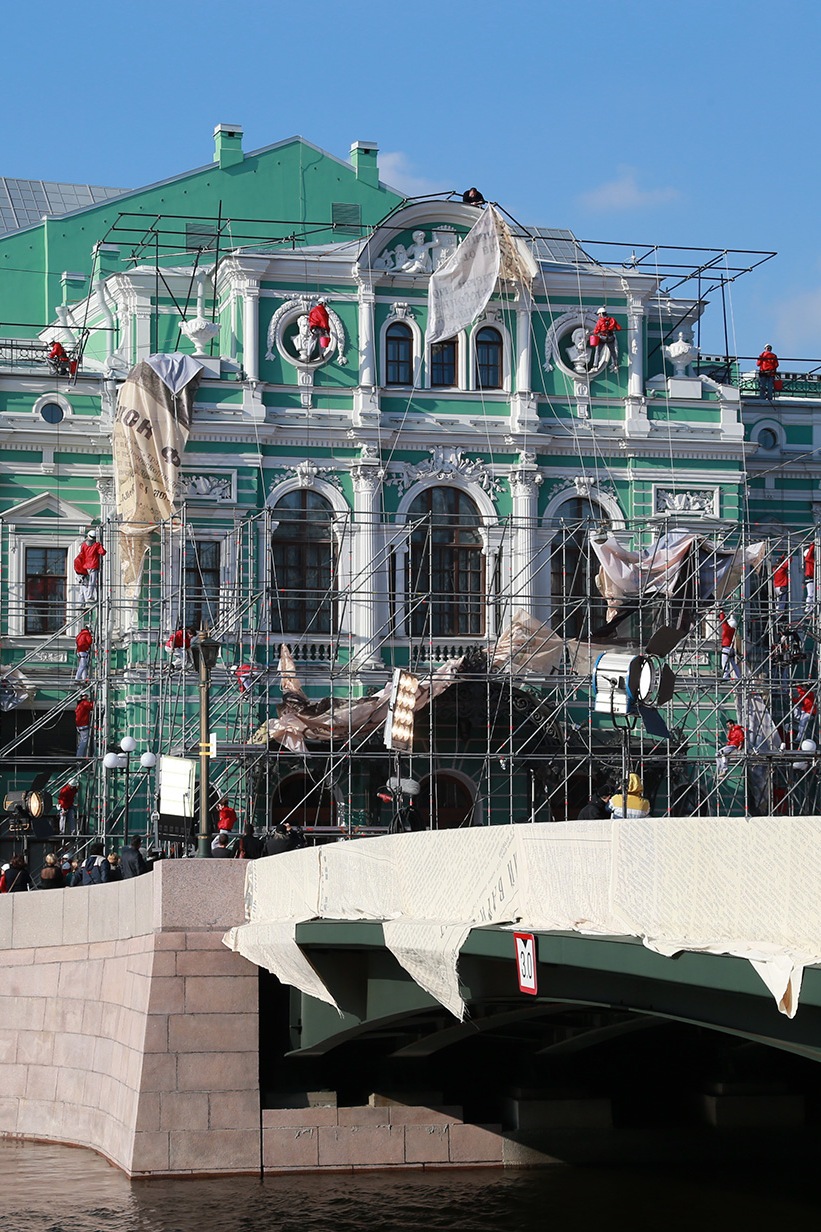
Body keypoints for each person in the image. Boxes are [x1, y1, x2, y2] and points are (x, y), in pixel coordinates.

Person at [74, 530, 106, 605]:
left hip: (86, 566)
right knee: (92, 582)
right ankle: (89, 596)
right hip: (94, 565)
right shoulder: (96, 545)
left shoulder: (83, 545)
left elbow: (81, 555)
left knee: (86, 584)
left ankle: (82, 601)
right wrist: (101, 545)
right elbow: (103, 552)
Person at [592, 308, 621, 374]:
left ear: (601, 314)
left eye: (599, 314)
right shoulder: (612, 320)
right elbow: (619, 328)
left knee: (598, 352)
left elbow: (596, 331)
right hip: (610, 338)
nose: (598, 316)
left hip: (602, 338)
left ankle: (595, 366)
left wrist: (597, 332)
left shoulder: (600, 321)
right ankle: (616, 365)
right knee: (613, 352)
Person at [718, 610, 740, 680]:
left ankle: (725, 676)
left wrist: (722, 612)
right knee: (733, 664)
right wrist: (731, 614)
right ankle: (738, 676)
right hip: (731, 648)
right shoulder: (733, 629)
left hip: (726, 648)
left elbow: (723, 621)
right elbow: (730, 622)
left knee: (724, 663)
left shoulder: (727, 629)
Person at [805, 543, 815, 613]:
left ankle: (811, 607)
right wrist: (812, 545)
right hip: (810, 579)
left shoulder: (810, 560)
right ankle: (808, 607)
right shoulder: (808, 559)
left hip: (813, 579)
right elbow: (810, 552)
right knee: (810, 594)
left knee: (813, 595)